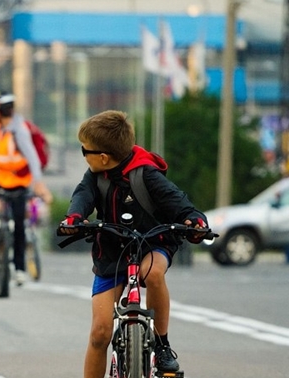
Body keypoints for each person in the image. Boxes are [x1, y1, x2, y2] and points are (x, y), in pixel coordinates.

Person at [56, 110, 209, 377]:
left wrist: (194, 220)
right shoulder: (95, 176)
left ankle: (161, 344)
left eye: (85, 151)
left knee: (153, 273)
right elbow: (82, 196)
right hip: (112, 250)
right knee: (100, 333)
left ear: (103, 157)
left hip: (152, 243)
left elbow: (175, 199)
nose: (84, 155)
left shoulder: (146, 174)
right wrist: (74, 218)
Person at [0, 90, 52, 286]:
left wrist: (38, 182)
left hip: (18, 182)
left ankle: (19, 268)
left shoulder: (18, 129)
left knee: (19, 224)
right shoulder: (0, 127)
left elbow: (32, 158)